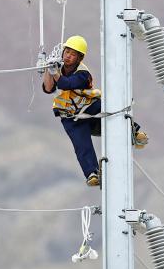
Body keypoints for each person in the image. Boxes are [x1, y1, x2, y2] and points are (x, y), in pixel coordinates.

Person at [42, 35, 148, 187]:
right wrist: (48, 69)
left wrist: (55, 73)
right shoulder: (57, 68)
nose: (68, 56)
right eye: (67, 52)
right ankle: (92, 174)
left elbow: (66, 83)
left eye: (73, 54)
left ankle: (134, 131)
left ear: (80, 58)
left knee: (111, 107)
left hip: (89, 107)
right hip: (71, 117)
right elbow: (48, 88)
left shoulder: (83, 73)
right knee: (81, 145)